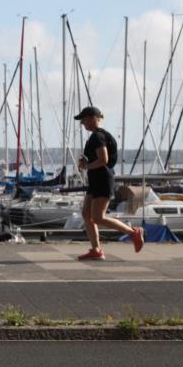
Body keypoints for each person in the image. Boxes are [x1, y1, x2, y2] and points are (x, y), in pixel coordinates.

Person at [74, 106, 144, 260]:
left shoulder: (97, 137)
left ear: (93, 118)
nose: (82, 123)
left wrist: (87, 166)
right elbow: (100, 159)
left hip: (102, 180)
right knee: (86, 214)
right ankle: (96, 250)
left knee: (98, 217)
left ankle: (134, 232)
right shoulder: (101, 136)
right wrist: (87, 161)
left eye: (84, 120)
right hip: (96, 180)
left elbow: (103, 160)